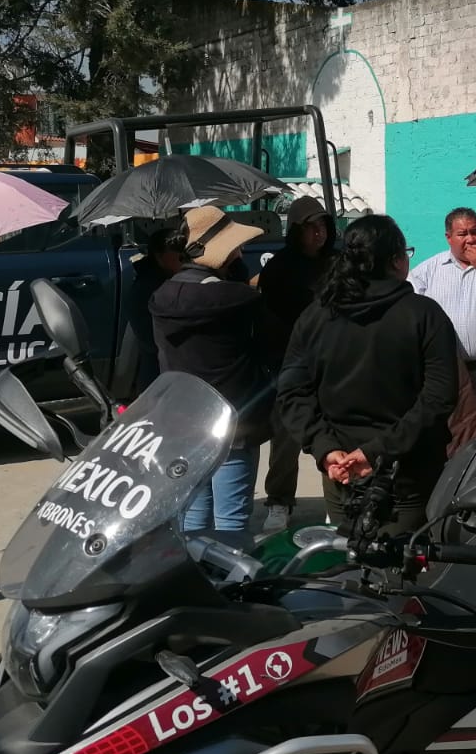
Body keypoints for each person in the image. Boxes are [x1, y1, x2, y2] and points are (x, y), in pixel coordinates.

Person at [278, 215, 459, 533]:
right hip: (405, 478)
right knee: (401, 575)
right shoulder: (424, 315)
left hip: (343, 470)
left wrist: (327, 449)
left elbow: (292, 393)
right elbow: (439, 397)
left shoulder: (316, 316)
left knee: (347, 572)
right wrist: (363, 451)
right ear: (396, 261)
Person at [149, 206, 269, 545]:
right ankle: (228, 591)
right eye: (234, 247)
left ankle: (195, 585)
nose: (240, 252)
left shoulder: (162, 296)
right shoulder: (235, 297)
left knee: (193, 520)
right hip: (233, 423)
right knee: (231, 524)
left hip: (182, 424)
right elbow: (265, 337)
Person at [256, 196, 338, 535]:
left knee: (332, 436)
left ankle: (337, 503)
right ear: (296, 230)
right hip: (290, 365)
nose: (318, 234)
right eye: (311, 227)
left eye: (323, 226)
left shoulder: (338, 263)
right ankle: (279, 501)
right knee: (287, 436)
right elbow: (268, 322)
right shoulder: (278, 268)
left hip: (333, 364)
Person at [409, 207, 476, 451]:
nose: (471, 239)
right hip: (447, 373)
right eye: (462, 233)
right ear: (449, 237)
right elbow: (411, 310)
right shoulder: (428, 270)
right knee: (453, 435)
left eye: (475, 232)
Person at [125, 224, 184, 394]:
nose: (184, 259)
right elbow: (152, 340)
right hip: (159, 375)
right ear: (159, 256)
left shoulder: (159, 281)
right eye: (178, 254)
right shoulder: (151, 288)